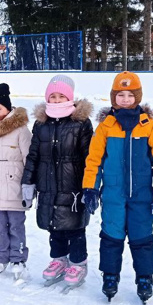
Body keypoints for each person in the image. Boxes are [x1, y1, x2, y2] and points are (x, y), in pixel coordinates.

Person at [82, 71, 153, 304]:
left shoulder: (149, 127)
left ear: (137, 97)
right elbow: (94, 161)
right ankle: (110, 276)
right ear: (113, 98)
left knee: (142, 237)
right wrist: (90, 188)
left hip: (142, 195)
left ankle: (145, 277)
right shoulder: (105, 127)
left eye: (130, 95)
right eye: (120, 95)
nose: (124, 99)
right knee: (111, 236)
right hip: (112, 194)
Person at [21, 74, 93, 291]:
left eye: (62, 96)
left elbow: (90, 156)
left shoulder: (81, 123)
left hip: (73, 187)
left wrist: (90, 185)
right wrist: (28, 183)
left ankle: (78, 263)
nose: (57, 100)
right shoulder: (41, 124)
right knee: (54, 226)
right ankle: (60, 259)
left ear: (70, 97)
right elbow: (33, 155)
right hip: (48, 185)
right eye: (53, 96)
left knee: (75, 227)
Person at [0, 83, 33, 281]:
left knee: (16, 226)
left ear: (8, 108)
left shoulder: (21, 130)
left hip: (14, 186)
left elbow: (29, 158)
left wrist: (29, 184)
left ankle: (18, 258)